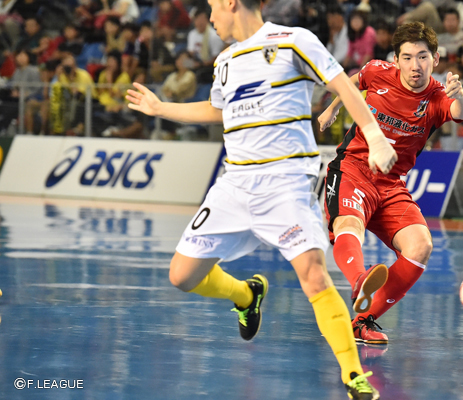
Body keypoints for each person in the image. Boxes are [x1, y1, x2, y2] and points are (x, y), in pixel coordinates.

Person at [125, 0, 397, 398]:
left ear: (230, 2)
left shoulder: (293, 41)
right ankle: (246, 294)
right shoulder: (225, 60)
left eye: (212, 8)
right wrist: (160, 108)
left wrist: (374, 136)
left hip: (286, 184)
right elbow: (217, 110)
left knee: (314, 275)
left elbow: (341, 84)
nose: (210, 18)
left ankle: (353, 374)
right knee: (181, 276)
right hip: (234, 184)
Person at [318, 21, 463, 345]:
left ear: (436, 59)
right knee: (349, 224)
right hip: (353, 169)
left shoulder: (437, 97)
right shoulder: (377, 71)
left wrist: (461, 95)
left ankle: (362, 321)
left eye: (423, 57)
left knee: (421, 246)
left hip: (391, 186)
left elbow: (462, 113)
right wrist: (332, 109)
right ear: (396, 59)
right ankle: (360, 280)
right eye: (407, 57)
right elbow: (351, 83)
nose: (415, 66)